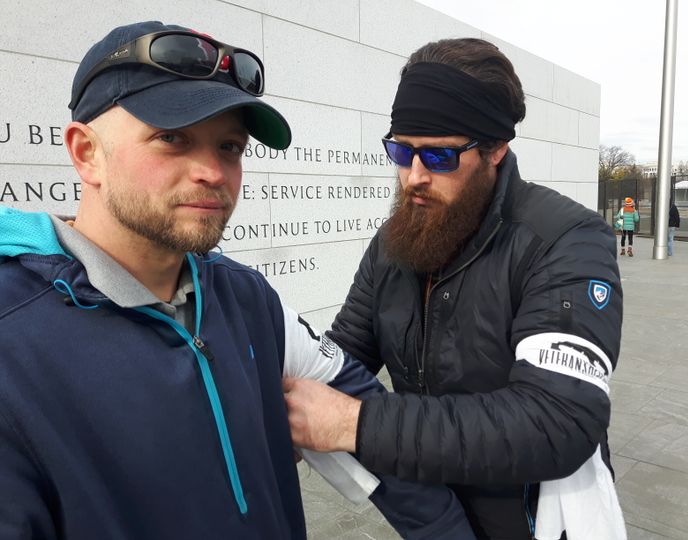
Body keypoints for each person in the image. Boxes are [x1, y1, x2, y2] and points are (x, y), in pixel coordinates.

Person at [0, 21, 476, 539]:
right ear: (86, 152)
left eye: (229, 147)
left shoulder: (248, 300)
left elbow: (377, 436)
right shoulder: (16, 342)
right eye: (172, 138)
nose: (211, 171)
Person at [283, 38, 626, 539]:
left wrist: (359, 423)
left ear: (495, 149)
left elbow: (558, 419)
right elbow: (345, 354)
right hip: (437, 517)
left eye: (439, 158)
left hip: (536, 522)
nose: (413, 178)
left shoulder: (565, 241)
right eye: (401, 151)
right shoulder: (394, 241)